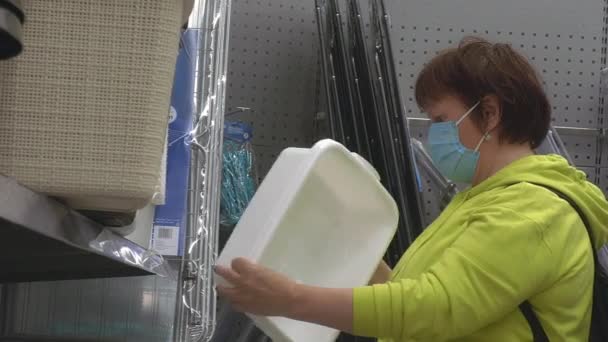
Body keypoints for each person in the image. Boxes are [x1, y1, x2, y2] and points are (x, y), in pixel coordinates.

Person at [215, 37, 608, 341]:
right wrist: (353, 247)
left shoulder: (532, 212)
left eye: (440, 119)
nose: (432, 134)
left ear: (489, 113)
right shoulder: (483, 198)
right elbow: (421, 296)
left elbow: (435, 308)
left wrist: (292, 299)